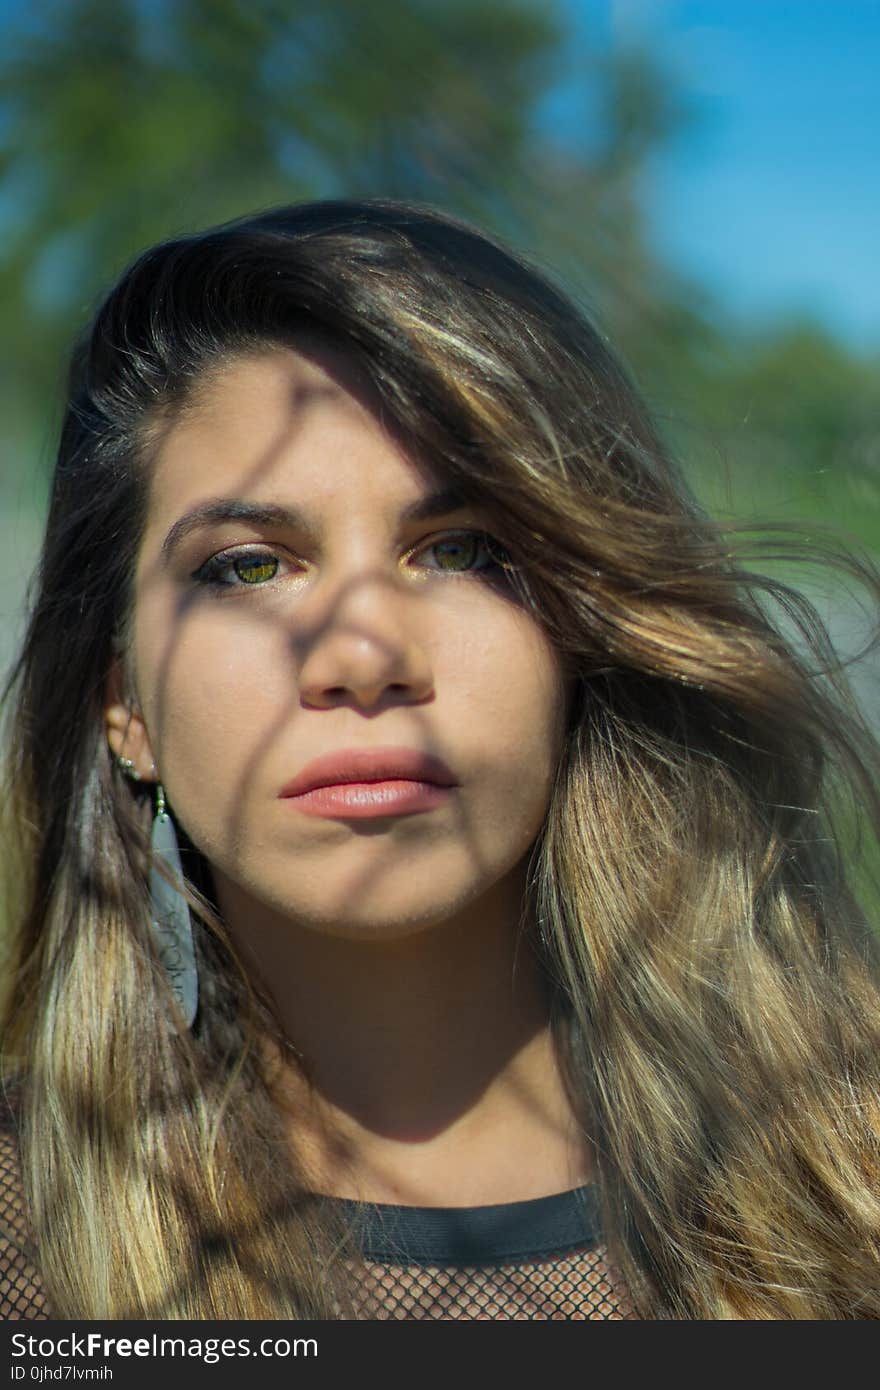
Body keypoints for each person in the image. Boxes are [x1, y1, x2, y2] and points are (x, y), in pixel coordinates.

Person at [1, 200, 879, 1321]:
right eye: (249, 565)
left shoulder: (848, 1198)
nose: (363, 654)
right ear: (124, 701)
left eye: (459, 550)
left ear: (583, 631)